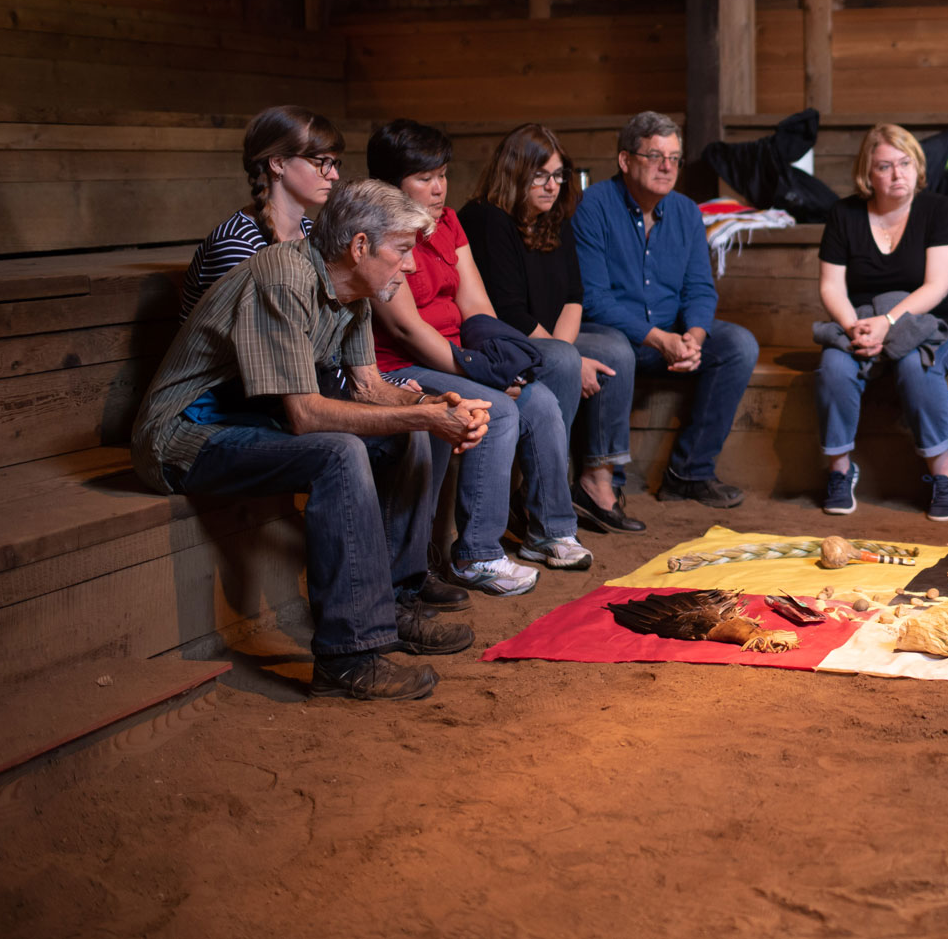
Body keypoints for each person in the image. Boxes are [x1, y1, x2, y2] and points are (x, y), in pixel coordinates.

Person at [130, 179, 492, 701]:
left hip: (253, 424)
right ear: (360, 246)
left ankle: (396, 603)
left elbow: (370, 387)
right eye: (403, 251)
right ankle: (348, 658)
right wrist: (426, 418)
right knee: (338, 453)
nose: (411, 267)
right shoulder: (282, 278)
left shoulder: (355, 288)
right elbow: (306, 416)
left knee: (412, 434)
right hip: (187, 434)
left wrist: (438, 408)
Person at [367, 119, 594, 596]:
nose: (438, 187)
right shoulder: (379, 226)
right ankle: (477, 554)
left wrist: (498, 359)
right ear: (392, 182)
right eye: (424, 178)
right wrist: (479, 374)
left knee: (542, 403)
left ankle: (549, 529)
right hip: (401, 366)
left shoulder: (448, 221)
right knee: (502, 407)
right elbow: (404, 327)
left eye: (443, 174)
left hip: (459, 353)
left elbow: (477, 306)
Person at [462, 124, 645, 535]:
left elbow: (574, 296)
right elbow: (507, 310)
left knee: (616, 349)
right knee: (564, 358)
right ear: (514, 173)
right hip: (501, 336)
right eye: (540, 175)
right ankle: (538, 487)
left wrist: (566, 356)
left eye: (559, 175)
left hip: (547, 335)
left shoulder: (555, 218)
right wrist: (564, 358)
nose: (552, 186)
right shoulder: (487, 218)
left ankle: (597, 480)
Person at [572, 112, 759, 509]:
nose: (667, 166)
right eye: (655, 155)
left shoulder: (687, 211)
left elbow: (700, 289)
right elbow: (594, 299)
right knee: (613, 351)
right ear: (626, 160)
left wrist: (694, 336)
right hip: (617, 334)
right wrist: (660, 339)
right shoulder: (592, 206)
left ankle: (690, 473)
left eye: (674, 157)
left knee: (738, 344)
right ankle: (607, 482)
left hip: (671, 334)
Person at [814, 123, 948, 521]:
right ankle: (839, 472)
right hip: (862, 323)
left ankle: (943, 472)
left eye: (905, 163)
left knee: (916, 364)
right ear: (868, 173)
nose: (898, 174)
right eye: (885, 167)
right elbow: (831, 286)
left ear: (917, 167)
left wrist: (889, 321)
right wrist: (853, 328)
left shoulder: (940, 210)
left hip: (932, 323)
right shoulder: (845, 214)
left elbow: (938, 285)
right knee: (833, 365)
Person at [179, 106, 344, 320]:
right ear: (278, 163)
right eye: (322, 163)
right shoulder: (235, 243)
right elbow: (250, 340)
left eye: (334, 163)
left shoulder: (312, 231)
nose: (334, 175)